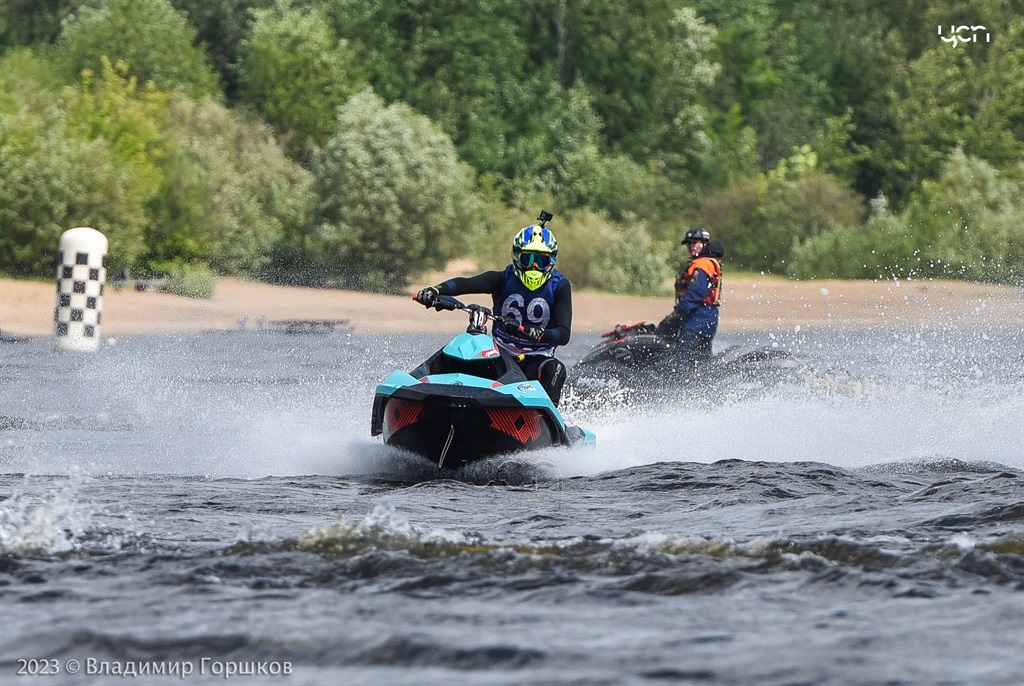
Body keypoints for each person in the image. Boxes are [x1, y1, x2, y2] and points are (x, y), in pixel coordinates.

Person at [414, 211, 572, 406]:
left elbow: (564, 334)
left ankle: (548, 425)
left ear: (551, 262)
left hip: (536, 359)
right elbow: (464, 284)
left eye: (540, 261)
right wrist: (434, 291)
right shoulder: (502, 279)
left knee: (556, 370)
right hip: (499, 355)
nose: (533, 268)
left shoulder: (559, 286)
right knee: (463, 353)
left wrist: (541, 334)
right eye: (527, 260)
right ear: (516, 257)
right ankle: (428, 391)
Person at [656, 227, 722, 366]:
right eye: (689, 243)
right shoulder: (706, 262)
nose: (692, 246)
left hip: (699, 316)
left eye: (695, 242)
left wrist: (677, 313)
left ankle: (681, 385)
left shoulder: (703, 264)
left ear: (704, 243)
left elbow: (695, 294)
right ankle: (705, 382)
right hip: (705, 317)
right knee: (702, 358)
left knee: (683, 356)